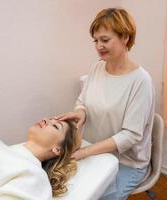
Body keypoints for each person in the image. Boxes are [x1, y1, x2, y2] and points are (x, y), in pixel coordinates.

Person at [56, 8, 155, 200]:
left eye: (105, 39)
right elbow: (82, 101)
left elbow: (130, 136)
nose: (99, 46)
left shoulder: (141, 81)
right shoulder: (97, 68)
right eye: (96, 40)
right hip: (93, 150)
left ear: (125, 37)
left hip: (126, 162)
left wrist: (85, 153)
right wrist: (80, 112)